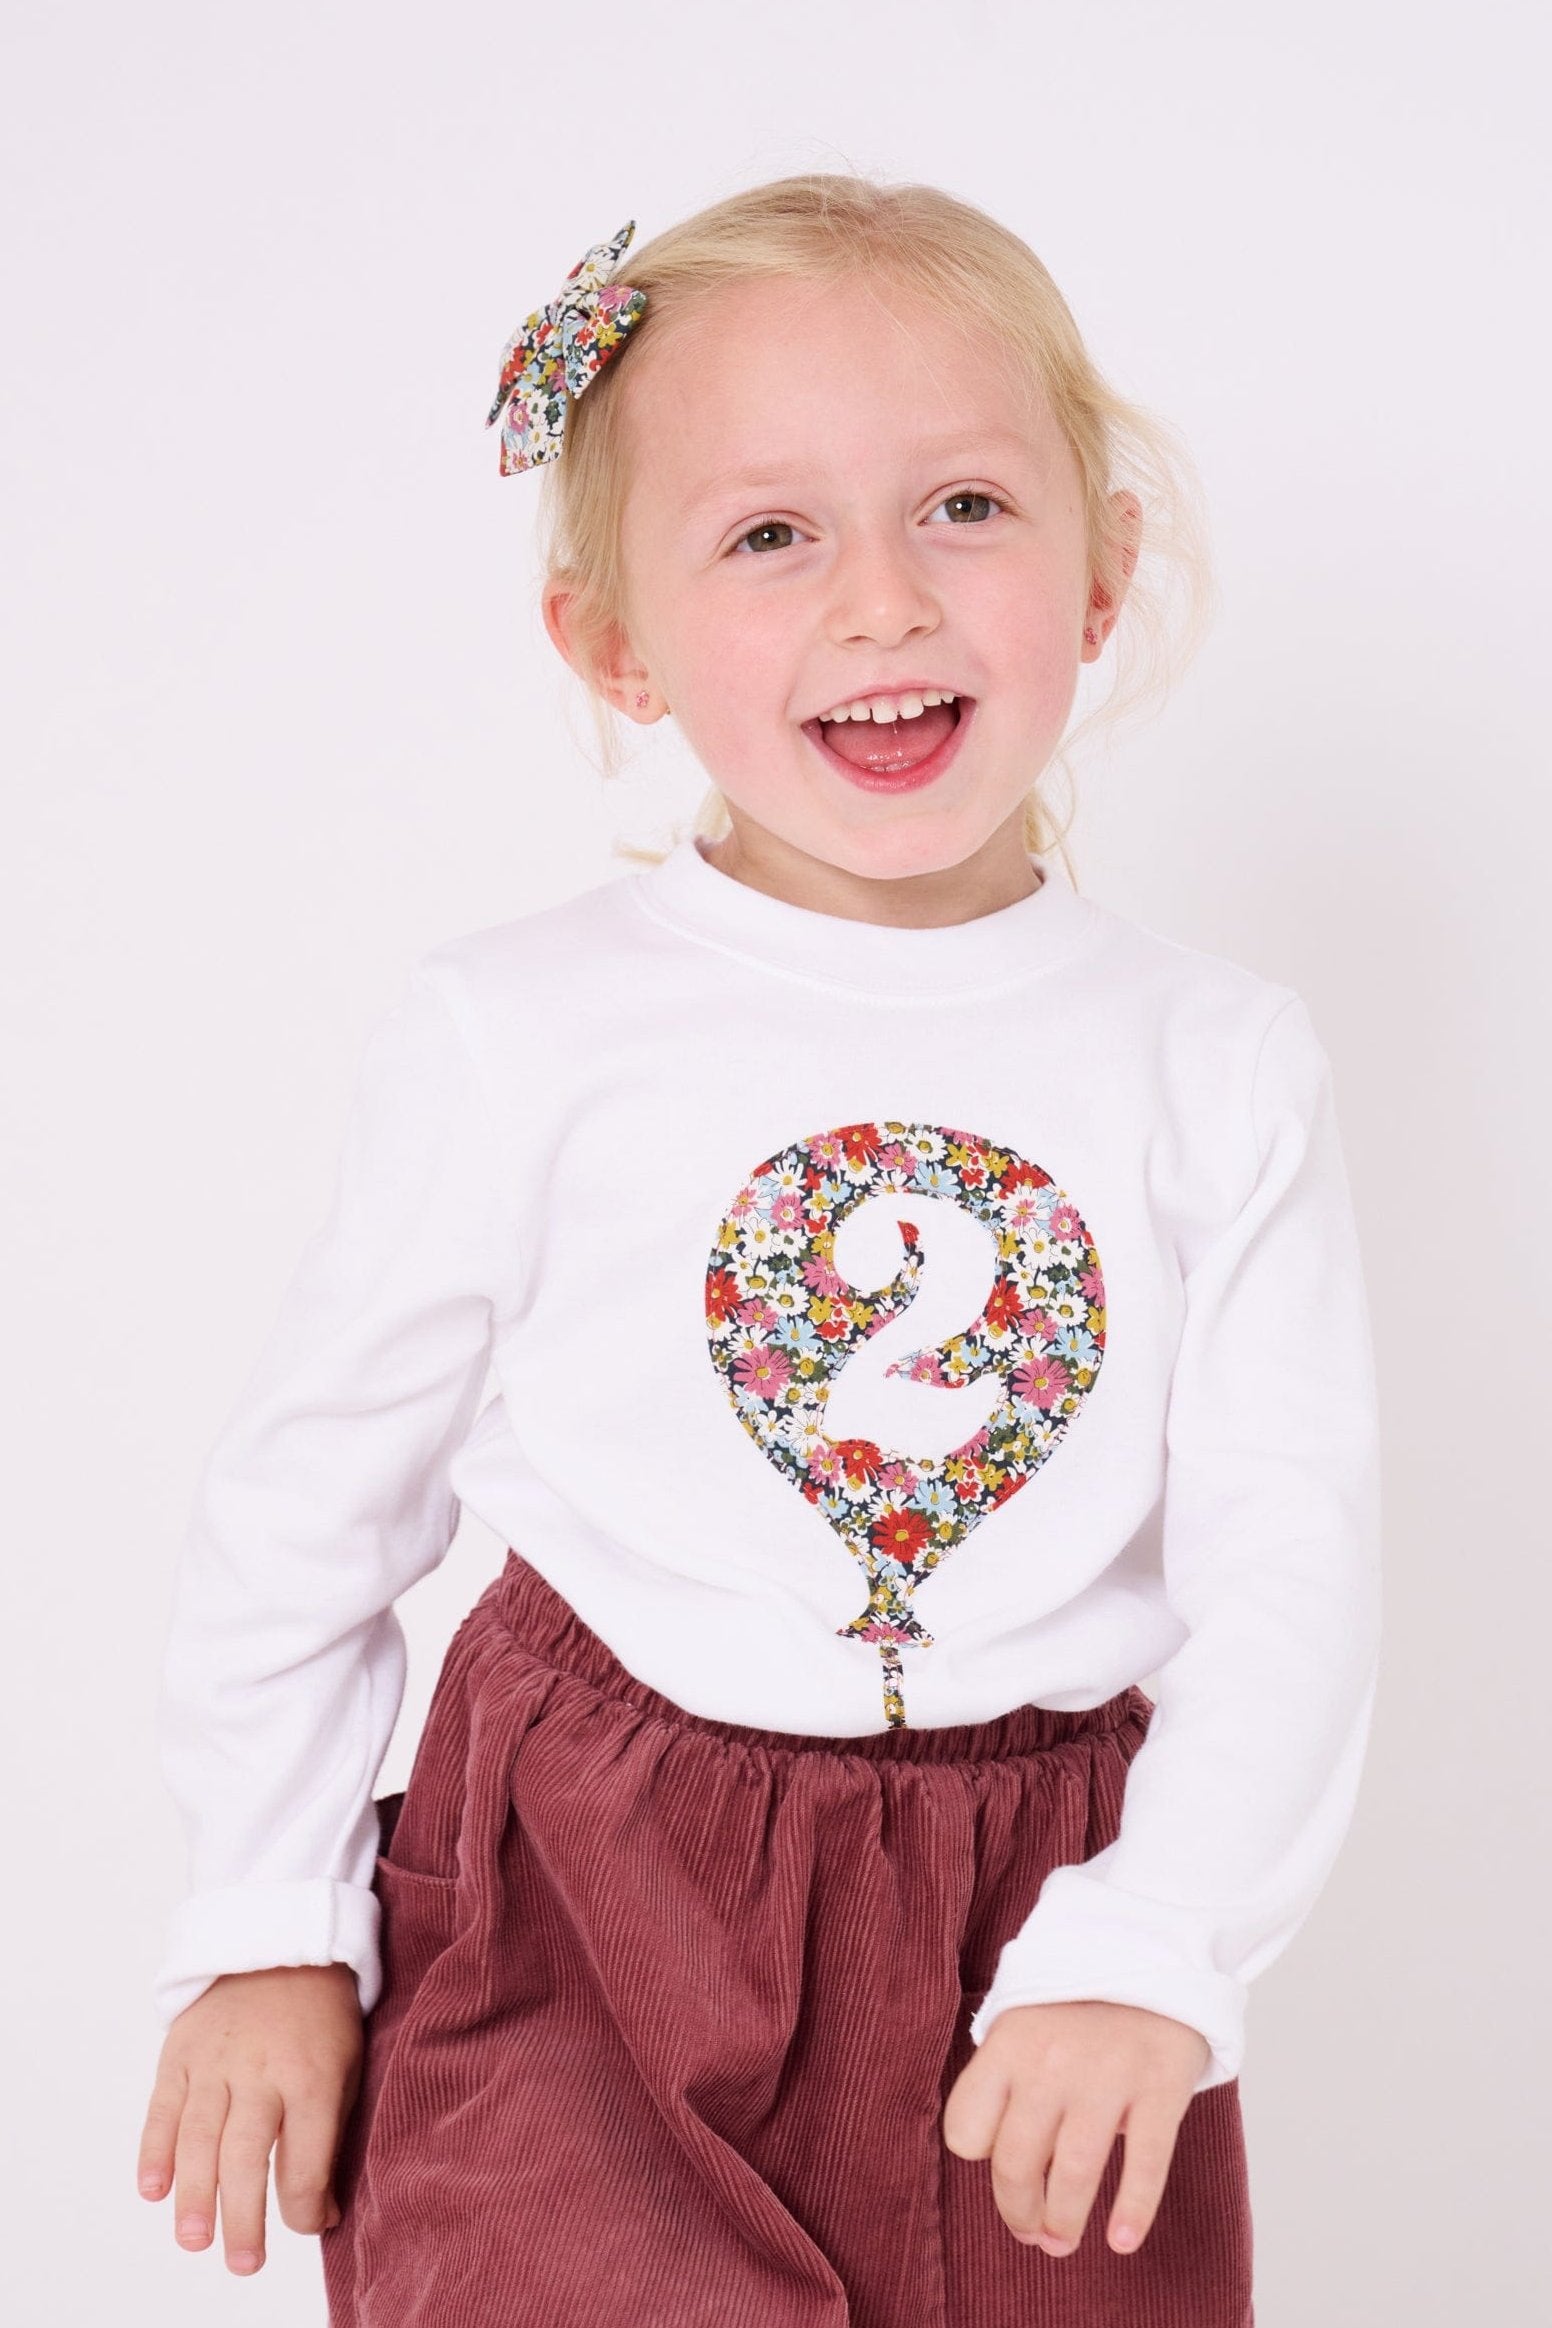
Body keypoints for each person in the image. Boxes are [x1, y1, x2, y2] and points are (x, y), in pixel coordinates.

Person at [135, 175, 1381, 2327]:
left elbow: (1291, 1566)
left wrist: (1153, 1937)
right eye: (768, 535)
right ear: (610, 641)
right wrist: (265, 1915)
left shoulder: (1213, 1061)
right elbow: (307, 1507)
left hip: (1034, 1917)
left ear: (1101, 576)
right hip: (585, 1914)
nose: (881, 602)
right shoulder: (517, 1033)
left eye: (965, 507)